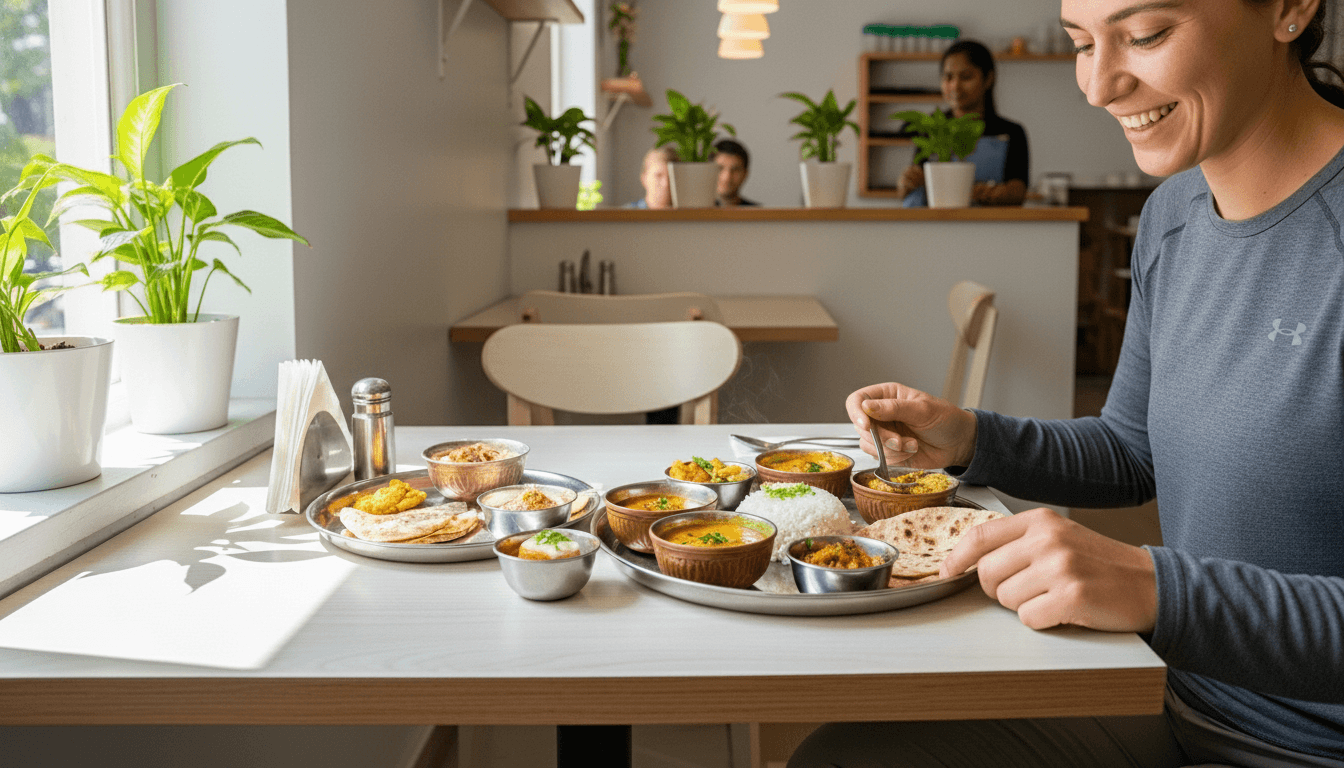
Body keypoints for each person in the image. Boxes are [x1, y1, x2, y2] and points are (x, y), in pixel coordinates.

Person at [793, 0, 1344, 765]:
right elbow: (1131, 449)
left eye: (1146, 35)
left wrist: (1160, 591)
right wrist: (972, 439)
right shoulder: (1173, 217)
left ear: (1287, 9)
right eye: (1085, 43)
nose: (1098, 85)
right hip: (1179, 703)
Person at [896, 40, 1029, 207]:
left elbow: (1017, 192)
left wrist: (991, 193)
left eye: (966, 77)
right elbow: (910, 191)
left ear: (988, 79)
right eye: (948, 77)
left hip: (993, 228)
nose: (955, 86)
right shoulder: (932, 128)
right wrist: (905, 184)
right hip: (937, 227)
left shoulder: (1011, 132)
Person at [711, 138, 759, 206]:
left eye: (735, 169)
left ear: (745, 174)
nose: (727, 177)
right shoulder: (693, 213)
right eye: (720, 168)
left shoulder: (760, 214)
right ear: (707, 171)